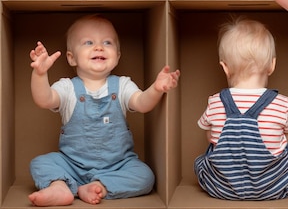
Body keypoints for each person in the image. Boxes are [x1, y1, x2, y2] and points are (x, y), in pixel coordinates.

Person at [28, 14, 180, 206]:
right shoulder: (67, 88)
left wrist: (156, 89)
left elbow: (142, 103)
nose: (98, 47)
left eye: (107, 42)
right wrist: (40, 74)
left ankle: (100, 186)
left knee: (145, 176)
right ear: (71, 58)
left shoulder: (123, 85)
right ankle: (60, 186)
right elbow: (44, 100)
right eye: (88, 42)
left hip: (118, 165)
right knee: (40, 163)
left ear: (117, 56)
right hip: (72, 165)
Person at [194, 17, 288, 200]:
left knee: (200, 162)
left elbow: (210, 137)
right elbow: (287, 137)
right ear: (272, 65)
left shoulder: (215, 102)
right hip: (272, 188)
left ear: (225, 68)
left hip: (222, 188)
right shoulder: (282, 102)